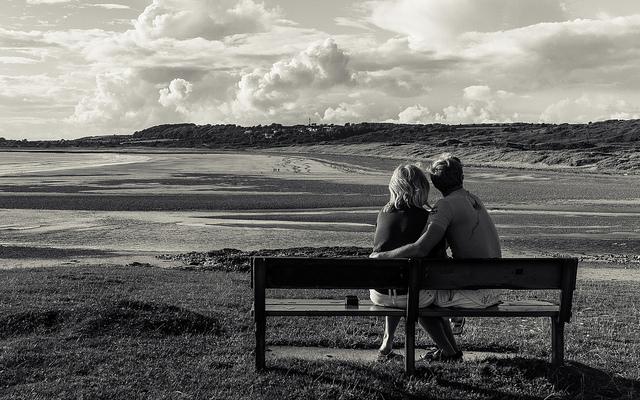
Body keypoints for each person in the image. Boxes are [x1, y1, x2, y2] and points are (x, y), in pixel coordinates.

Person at [371, 154, 502, 362]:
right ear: (462, 176)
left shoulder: (442, 207)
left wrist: (380, 256)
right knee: (417, 293)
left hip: (470, 293)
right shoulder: (475, 200)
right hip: (493, 287)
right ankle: (451, 351)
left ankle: (449, 352)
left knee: (417, 295)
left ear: (434, 183)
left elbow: (421, 248)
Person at [370, 163, 446, 362]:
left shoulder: (382, 214)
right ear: (422, 188)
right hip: (414, 297)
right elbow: (439, 259)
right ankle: (447, 350)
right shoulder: (427, 218)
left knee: (395, 280)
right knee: (416, 291)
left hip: (379, 295)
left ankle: (387, 342)